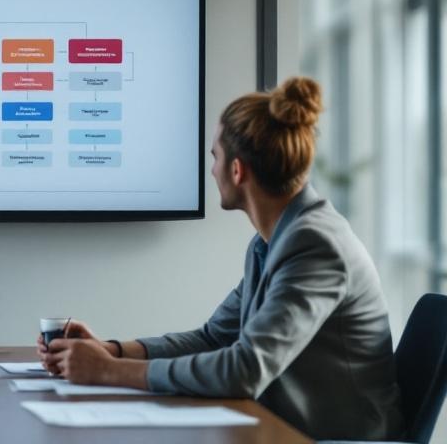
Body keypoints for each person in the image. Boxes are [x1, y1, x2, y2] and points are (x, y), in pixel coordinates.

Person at [39, 77, 403, 441]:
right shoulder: (272, 243)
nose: (212, 170)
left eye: (215, 157)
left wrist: (108, 371)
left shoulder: (315, 245)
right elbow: (214, 338)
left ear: (237, 170)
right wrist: (112, 351)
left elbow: (245, 370)